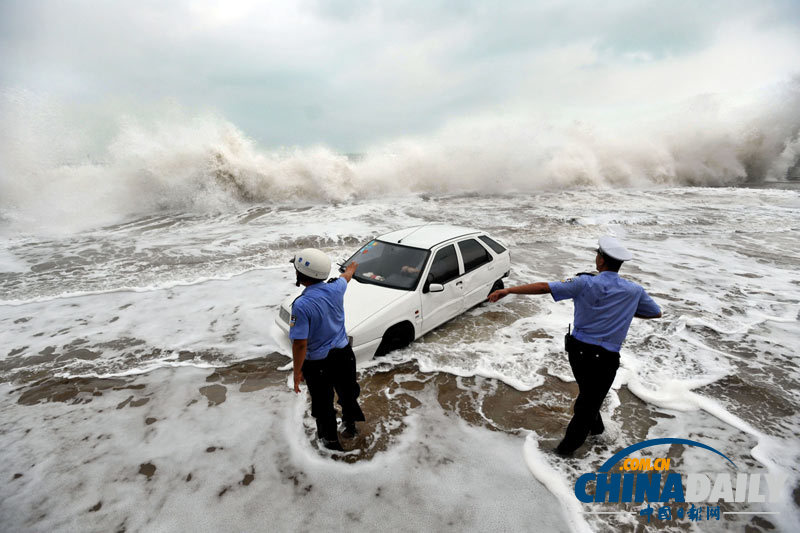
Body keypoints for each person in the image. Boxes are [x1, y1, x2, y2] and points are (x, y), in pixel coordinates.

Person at [488, 236, 662, 457]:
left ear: (600, 261)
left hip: (578, 353)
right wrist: (624, 311)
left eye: (597, 255)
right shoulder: (633, 291)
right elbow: (655, 312)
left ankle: (564, 453)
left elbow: (544, 288)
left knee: (587, 400)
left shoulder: (584, 282)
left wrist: (509, 290)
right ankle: (584, 439)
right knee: (588, 402)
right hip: (606, 358)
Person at [289, 248, 365, 451]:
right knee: (348, 394)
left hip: (318, 364)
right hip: (344, 356)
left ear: (300, 276)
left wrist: (297, 372)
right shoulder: (337, 287)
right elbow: (346, 277)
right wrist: (352, 267)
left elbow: (300, 344)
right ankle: (351, 426)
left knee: (323, 405)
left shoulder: (301, 305)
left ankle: (331, 443)